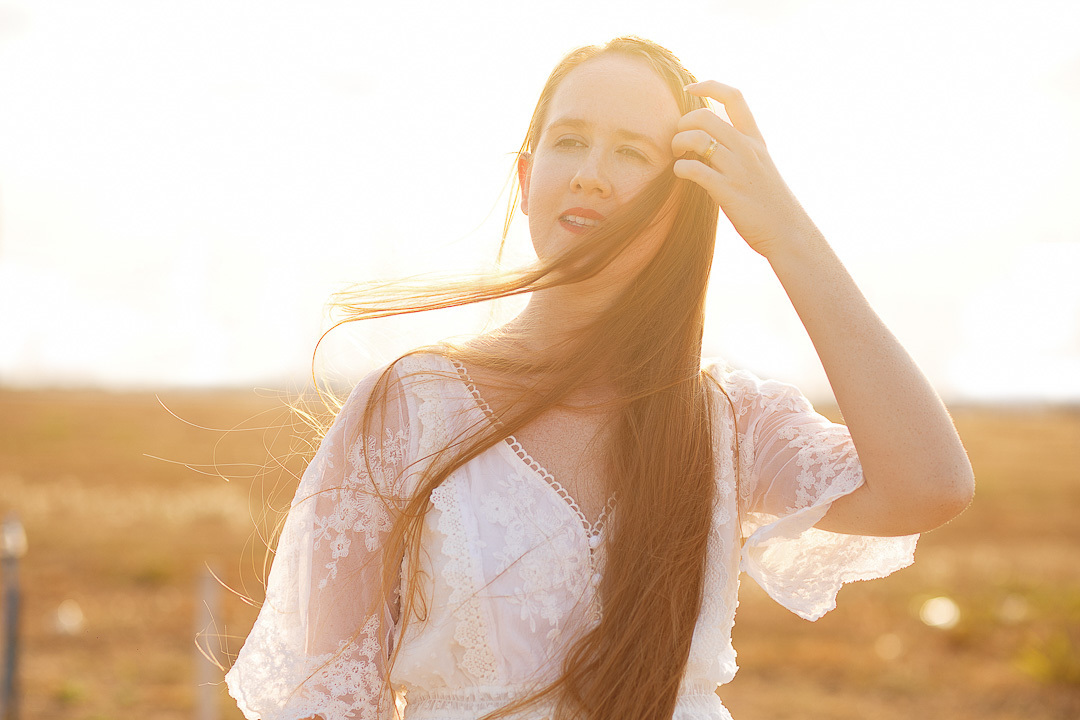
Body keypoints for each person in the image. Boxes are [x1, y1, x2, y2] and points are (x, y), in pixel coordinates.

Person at [224, 36, 974, 720]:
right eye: (571, 141)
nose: (590, 174)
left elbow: (929, 485)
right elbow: (325, 700)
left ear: (688, 195)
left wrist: (784, 230)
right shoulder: (412, 406)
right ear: (526, 176)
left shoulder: (726, 421)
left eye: (631, 153)